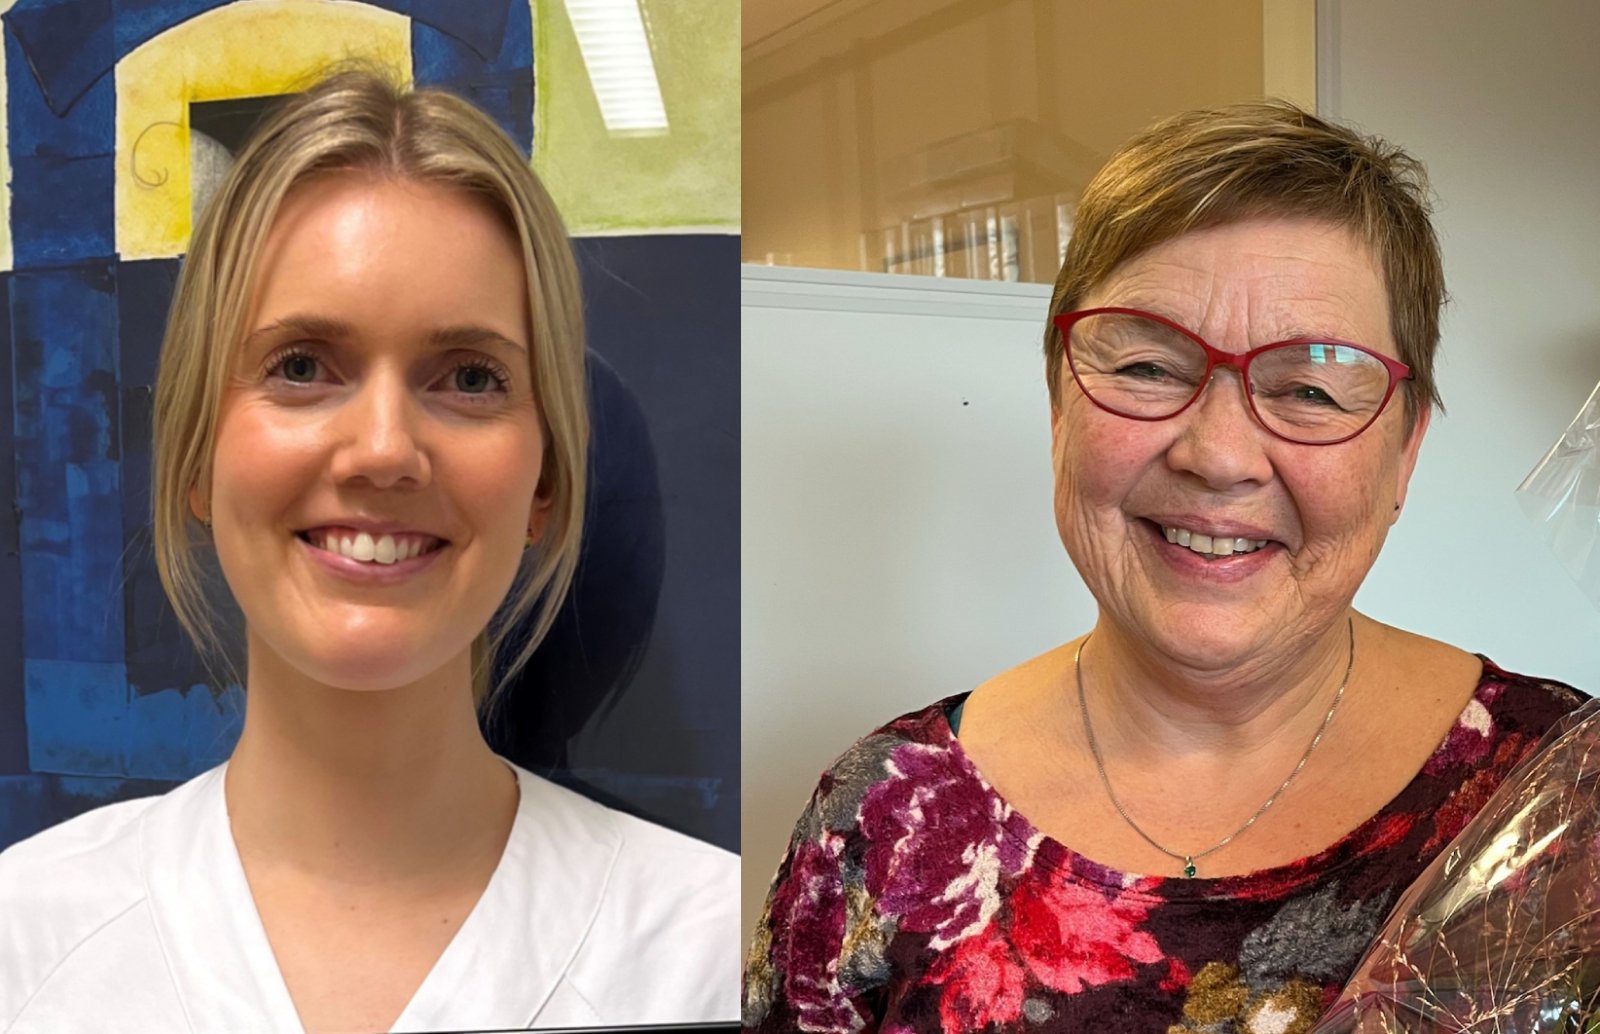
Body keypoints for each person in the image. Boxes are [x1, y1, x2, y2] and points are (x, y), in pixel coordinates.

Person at [742, 102, 1587, 1032]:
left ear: (1404, 453)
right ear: (1060, 405)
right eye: (1148, 367)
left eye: (1310, 387)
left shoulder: (1568, 800)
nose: (1218, 456)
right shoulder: (880, 819)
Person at [0, 70, 738, 1033]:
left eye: (469, 378)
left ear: (545, 484)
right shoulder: (25, 939)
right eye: (301, 366)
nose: (385, 449)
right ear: (194, 458)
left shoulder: (715, 951)